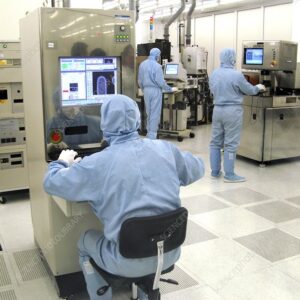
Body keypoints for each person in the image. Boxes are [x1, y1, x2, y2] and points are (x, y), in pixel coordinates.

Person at [43, 94, 205, 300]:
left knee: (84, 241)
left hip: (126, 260)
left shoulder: (96, 164)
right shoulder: (165, 149)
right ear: (138, 120)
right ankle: (146, 291)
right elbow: (197, 168)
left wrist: (62, 162)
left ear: (104, 123)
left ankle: (101, 297)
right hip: (171, 252)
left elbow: (51, 183)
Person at [209, 48, 265, 183]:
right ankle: (229, 174)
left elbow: (212, 90)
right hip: (232, 111)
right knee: (230, 144)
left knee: (215, 142)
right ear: (233, 58)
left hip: (217, 110)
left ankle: (215, 171)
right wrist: (258, 87)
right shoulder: (236, 74)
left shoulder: (214, 73)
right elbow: (249, 90)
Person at [138, 48, 173, 139]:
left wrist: (143, 89)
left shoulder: (142, 64)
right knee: (155, 113)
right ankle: (152, 135)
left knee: (148, 112)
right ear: (157, 55)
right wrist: (169, 88)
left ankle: (149, 132)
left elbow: (140, 80)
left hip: (146, 90)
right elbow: (160, 82)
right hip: (155, 90)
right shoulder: (157, 66)